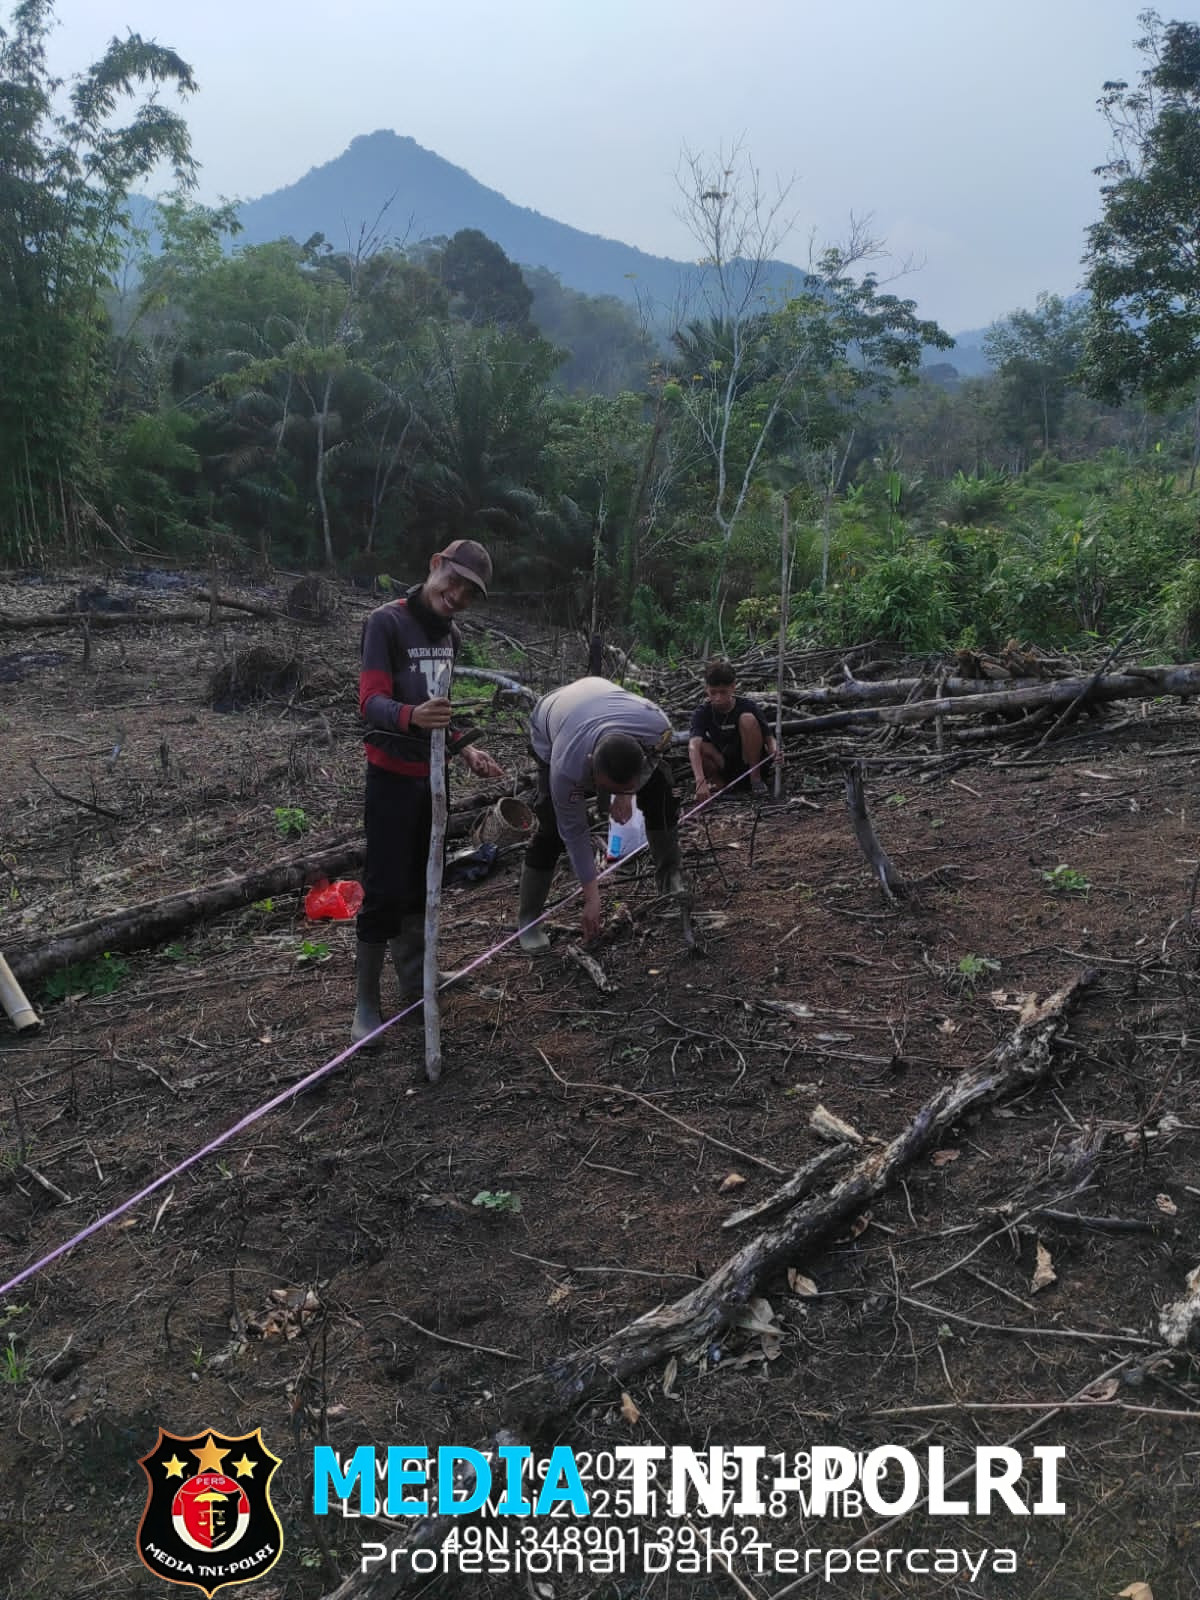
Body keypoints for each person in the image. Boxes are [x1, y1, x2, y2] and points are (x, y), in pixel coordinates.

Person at [352, 540, 506, 1044]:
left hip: (432, 779)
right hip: (391, 779)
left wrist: (463, 749)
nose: (457, 595)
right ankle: (366, 1004)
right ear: (435, 565)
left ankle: (416, 981)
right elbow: (370, 701)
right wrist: (409, 718)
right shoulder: (386, 623)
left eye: (469, 592)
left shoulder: (451, 636)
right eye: (454, 582)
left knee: (425, 881)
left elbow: (438, 707)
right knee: (383, 889)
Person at [517, 677, 684, 952]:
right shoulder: (566, 766)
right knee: (551, 829)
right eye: (603, 786)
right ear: (591, 765)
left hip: (604, 703)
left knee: (660, 792)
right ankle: (528, 920)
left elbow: (651, 762)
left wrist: (626, 793)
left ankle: (670, 877)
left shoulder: (656, 727)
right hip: (551, 718)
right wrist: (592, 898)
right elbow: (574, 832)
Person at [688, 658, 778, 802]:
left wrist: (775, 749)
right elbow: (693, 745)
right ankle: (719, 783)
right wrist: (700, 781)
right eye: (713, 692)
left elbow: (769, 737)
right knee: (699, 745)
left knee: (747, 719)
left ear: (733, 687)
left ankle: (755, 779)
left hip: (750, 762)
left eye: (723, 692)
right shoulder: (703, 711)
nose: (718, 698)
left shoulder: (747, 705)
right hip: (724, 764)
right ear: (706, 689)